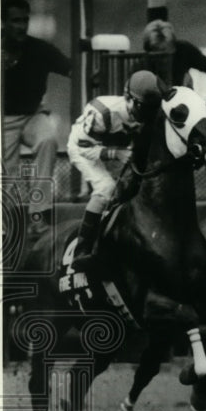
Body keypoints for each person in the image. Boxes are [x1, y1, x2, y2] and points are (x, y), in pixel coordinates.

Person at [67, 71, 165, 269]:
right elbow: (84, 148)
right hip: (85, 148)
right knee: (106, 189)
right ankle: (82, 249)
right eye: (142, 107)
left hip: (117, 148)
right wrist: (116, 154)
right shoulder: (103, 111)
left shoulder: (149, 111)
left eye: (151, 108)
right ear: (128, 98)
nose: (147, 114)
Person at [140, 19, 206, 203]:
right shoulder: (142, 66)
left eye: (167, 55)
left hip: (186, 114)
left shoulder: (184, 50)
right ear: (149, 54)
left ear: (174, 49)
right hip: (158, 117)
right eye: (158, 57)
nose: (164, 61)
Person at [1, 0, 71, 235]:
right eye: (14, 21)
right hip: (1, 120)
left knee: (48, 139)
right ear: (3, 23)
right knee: (4, 170)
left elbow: (72, 68)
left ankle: (37, 216)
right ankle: (2, 226)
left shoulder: (39, 49)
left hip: (33, 115)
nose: (21, 26)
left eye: (24, 20)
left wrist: (93, 73)